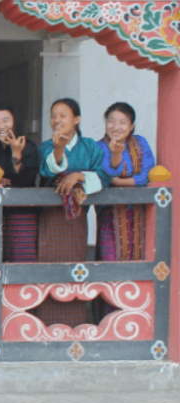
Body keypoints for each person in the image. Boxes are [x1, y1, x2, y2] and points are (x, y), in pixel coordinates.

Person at [38, 98, 110, 327]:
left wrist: (78, 176)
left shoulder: (91, 147)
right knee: (49, 266)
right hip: (51, 218)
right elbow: (46, 170)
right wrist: (59, 149)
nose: (56, 120)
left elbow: (104, 177)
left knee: (74, 268)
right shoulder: (46, 147)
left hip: (77, 218)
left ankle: (73, 323)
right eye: (53, 116)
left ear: (76, 119)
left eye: (63, 115)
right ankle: (46, 324)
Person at [95, 102, 153, 320]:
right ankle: (109, 320)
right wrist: (116, 158)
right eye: (111, 121)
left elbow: (148, 174)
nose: (116, 127)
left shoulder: (141, 144)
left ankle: (134, 319)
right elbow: (106, 174)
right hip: (110, 217)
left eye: (122, 122)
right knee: (111, 266)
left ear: (131, 126)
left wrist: (121, 182)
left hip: (138, 217)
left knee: (137, 265)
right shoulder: (99, 147)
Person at [0, 104, 41, 263]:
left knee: (21, 258)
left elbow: (25, 179)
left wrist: (16, 152)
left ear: (14, 122)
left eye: (6, 120)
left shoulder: (27, 146)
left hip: (21, 212)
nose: (1, 126)